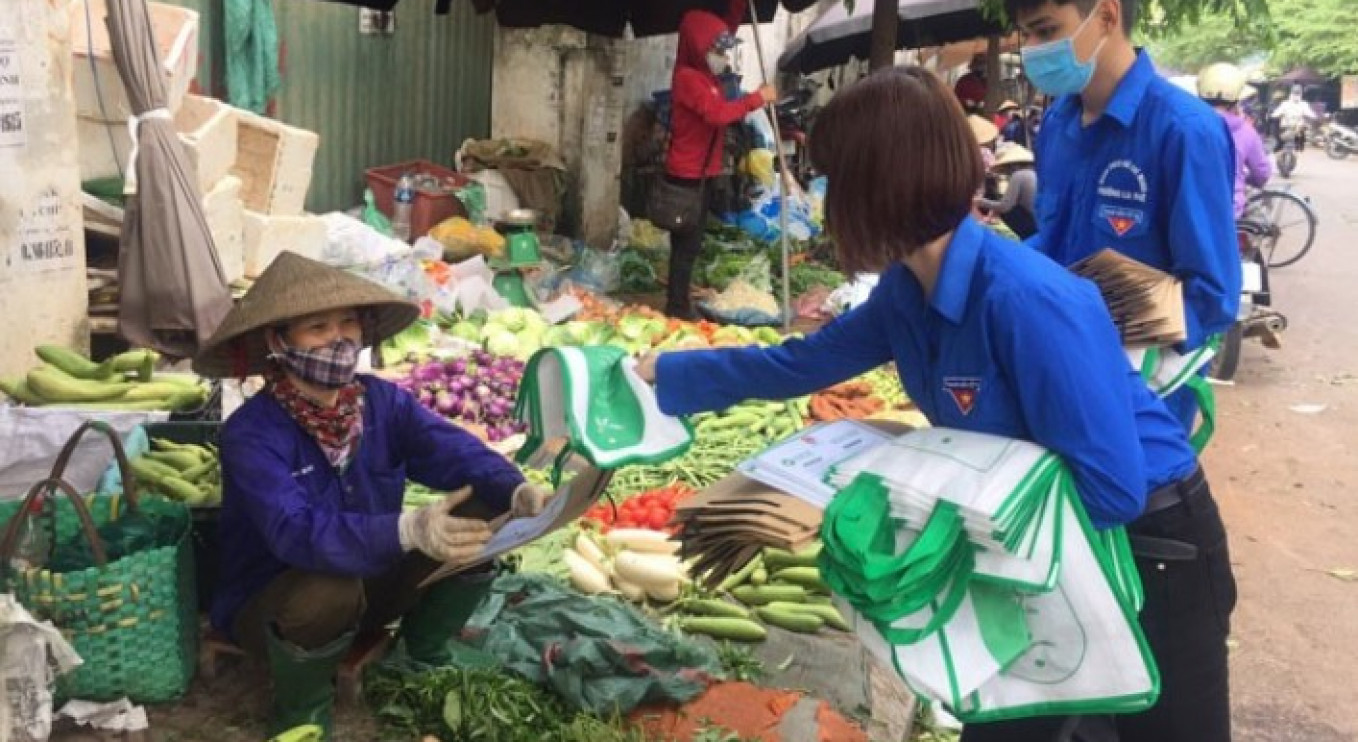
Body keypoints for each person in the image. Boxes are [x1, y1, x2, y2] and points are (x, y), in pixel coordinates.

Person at [636, 65, 1233, 742]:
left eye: (834, 180)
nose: (826, 203)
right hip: (1042, 551)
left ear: (877, 186)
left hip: (1152, 546)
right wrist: (663, 376)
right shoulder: (906, 290)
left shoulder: (1026, 300)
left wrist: (932, 511)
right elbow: (798, 364)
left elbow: (1112, 489)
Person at [192, 253, 550, 739]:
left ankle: (422, 653)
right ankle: (302, 709)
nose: (338, 339)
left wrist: (515, 487)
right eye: (317, 328)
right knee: (330, 586)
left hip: (373, 584)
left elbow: (449, 449)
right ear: (279, 342)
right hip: (277, 605)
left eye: (347, 323)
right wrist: (406, 529)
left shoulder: (380, 403)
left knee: (487, 508)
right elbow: (295, 532)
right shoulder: (251, 434)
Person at [1008, 0, 1241, 439]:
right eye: (1027, 34)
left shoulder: (1184, 130)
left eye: (1046, 30)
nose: (1032, 49)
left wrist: (1089, 311)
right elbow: (1054, 240)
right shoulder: (1057, 123)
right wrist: (1002, 267)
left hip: (1142, 401)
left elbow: (1211, 296)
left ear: (1107, 15)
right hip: (1058, 373)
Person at [661, 0, 777, 319]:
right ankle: (676, 307)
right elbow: (717, 114)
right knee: (685, 247)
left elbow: (727, 29)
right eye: (716, 51)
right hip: (687, 175)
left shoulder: (706, 74)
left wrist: (739, 5)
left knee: (694, 243)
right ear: (700, 50)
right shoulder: (688, 79)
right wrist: (757, 99)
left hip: (704, 172)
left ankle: (680, 301)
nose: (722, 58)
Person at [1198, 62, 1272, 218]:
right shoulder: (1246, 131)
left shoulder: (1183, 125)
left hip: (1184, 211)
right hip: (1229, 211)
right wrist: (1244, 179)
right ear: (1237, 98)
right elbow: (1262, 173)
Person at [977, 145, 1039, 239]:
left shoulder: (1018, 175)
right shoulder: (1032, 172)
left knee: (1004, 206)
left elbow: (1005, 207)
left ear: (1012, 165)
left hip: (1031, 222)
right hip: (1038, 220)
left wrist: (979, 201)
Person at [1271, 84, 1316, 152]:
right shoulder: (1285, 104)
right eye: (1295, 93)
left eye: (1298, 93)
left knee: (1301, 142)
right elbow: (1276, 113)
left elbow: (1310, 113)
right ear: (1291, 93)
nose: (1296, 95)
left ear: (1301, 94)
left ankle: (1298, 148)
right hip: (1286, 128)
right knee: (1278, 143)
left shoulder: (1304, 104)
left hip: (1298, 129)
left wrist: (1314, 117)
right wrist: (1274, 116)